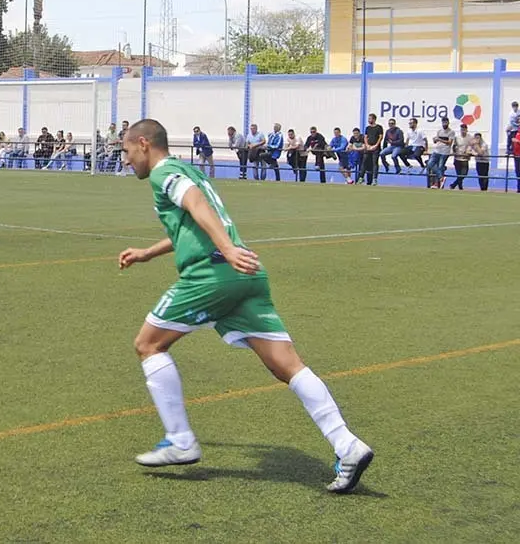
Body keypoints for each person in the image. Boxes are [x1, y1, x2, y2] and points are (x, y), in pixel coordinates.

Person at [116, 118, 373, 493]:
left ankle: (180, 440)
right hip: (246, 275)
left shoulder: (164, 172)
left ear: (143, 143)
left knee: (148, 344)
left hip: (212, 275)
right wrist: (147, 253)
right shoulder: (187, 170)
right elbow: (194, 219)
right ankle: (348, 445)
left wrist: (226, 249)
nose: (125, 160)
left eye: (125, 151)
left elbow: (196, 204)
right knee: (287, 365)